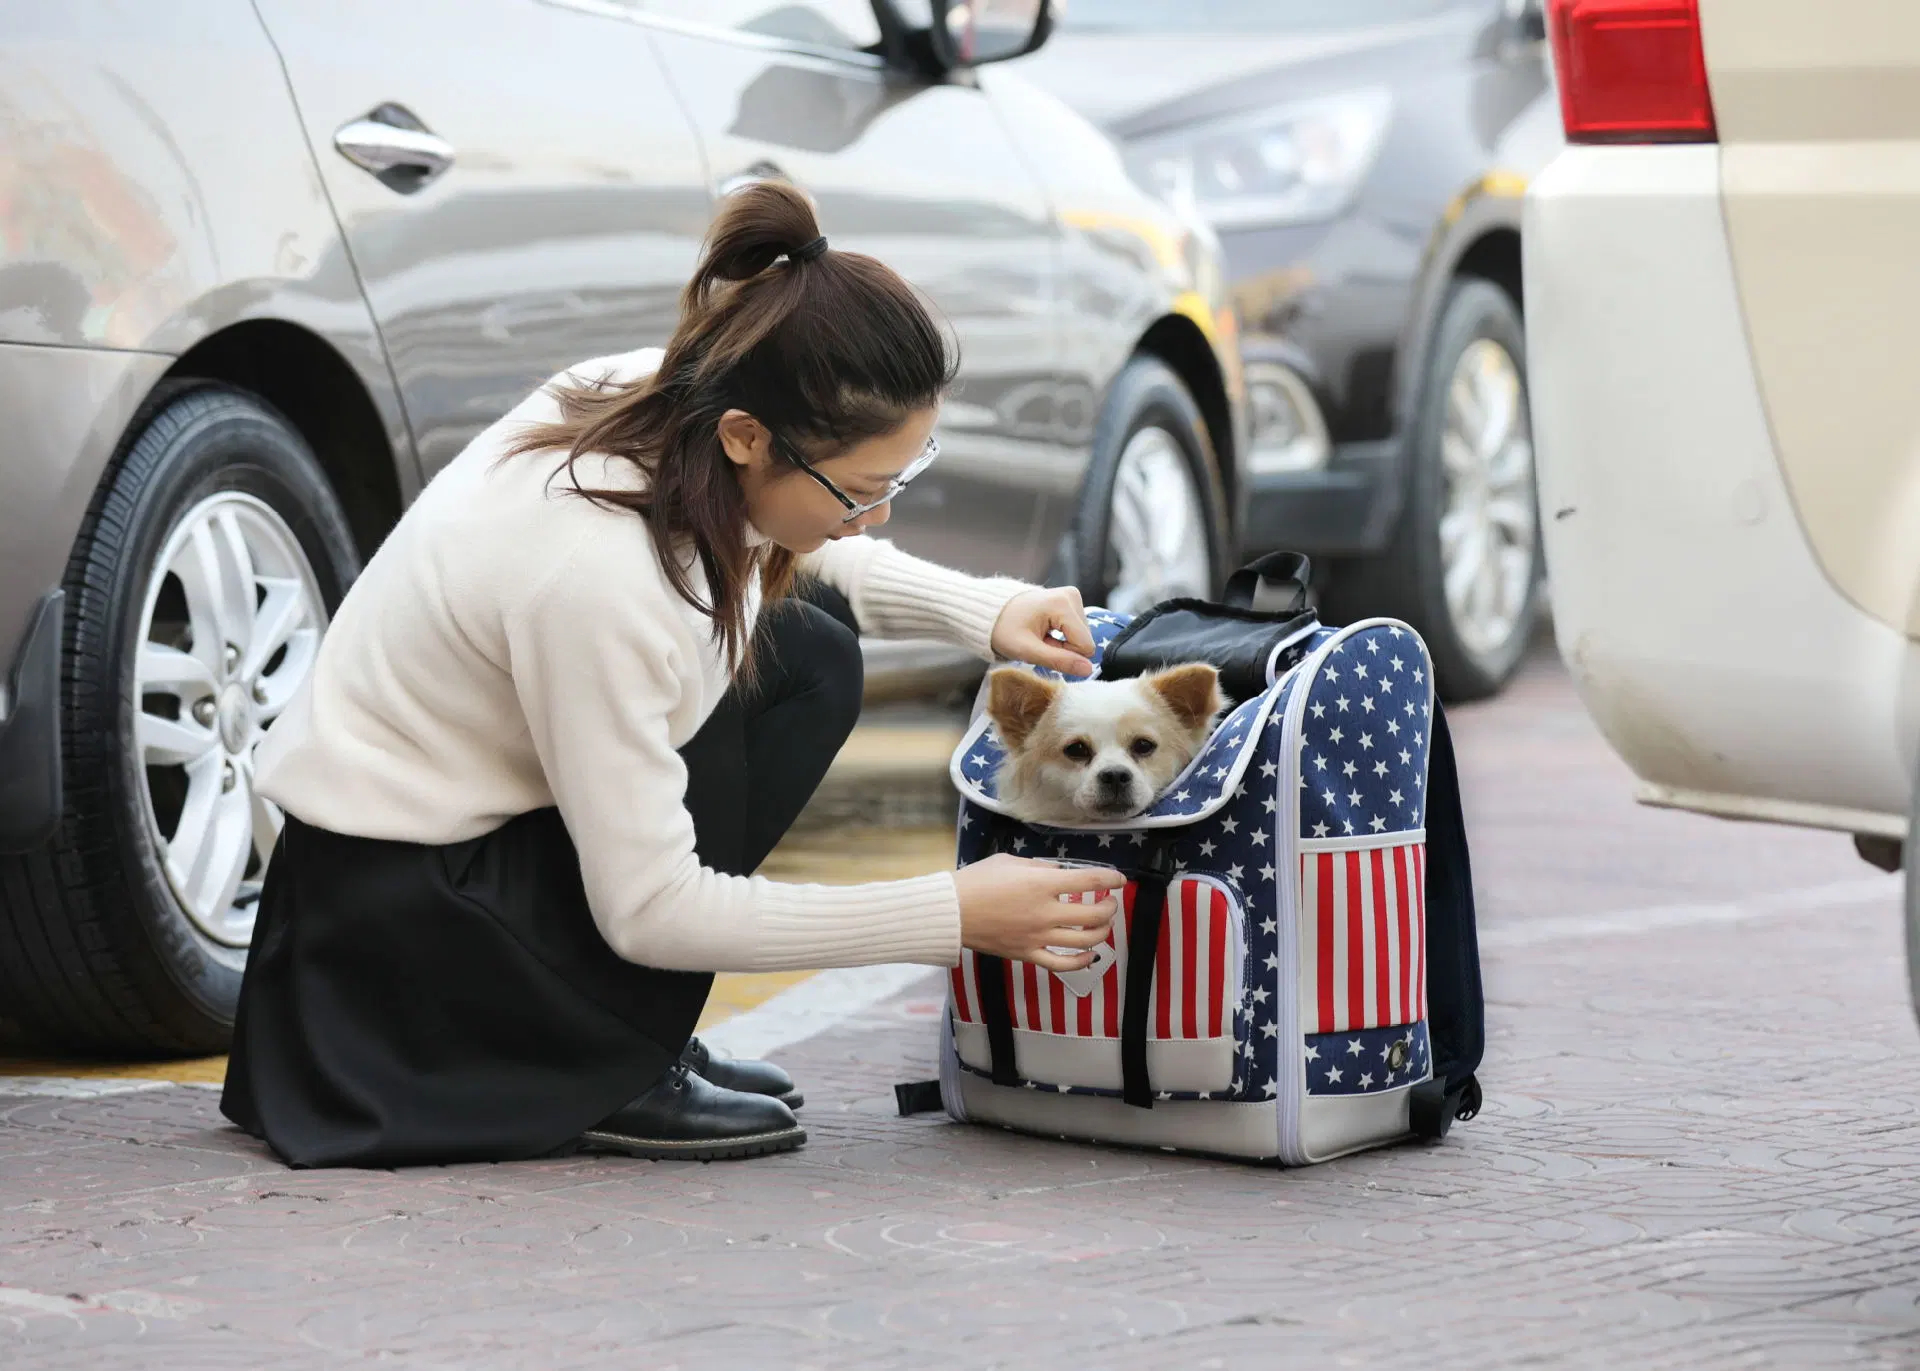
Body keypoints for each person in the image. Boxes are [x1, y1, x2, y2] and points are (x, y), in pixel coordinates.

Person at [220, 181, 1126, 1169]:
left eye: (898, 483)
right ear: (748, 435)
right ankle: (589, 1066)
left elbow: (794, 534)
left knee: (808, 655)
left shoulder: (655, 393)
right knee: (791, 667)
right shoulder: (597, 579)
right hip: (404, 935)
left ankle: (616, 1035)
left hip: (443, 859)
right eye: (862, 492)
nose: (879, 517)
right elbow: (652, 909)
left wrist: (983, 611)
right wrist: (953, 915)